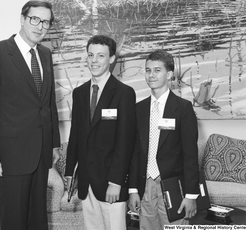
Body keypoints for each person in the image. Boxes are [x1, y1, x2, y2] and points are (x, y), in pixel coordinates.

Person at [0, 0, 60, 230]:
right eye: (35, 19)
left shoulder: (45, 55)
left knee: (37, 219)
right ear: (22, 19)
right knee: (15, 220)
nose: (40, 26)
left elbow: (48, 103)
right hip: (11, 156)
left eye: (46, 22)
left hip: (41, 153)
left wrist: (54, 144)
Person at [65, 35, 136, 230]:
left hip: (110, 182)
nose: (94, 61)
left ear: (112, 59)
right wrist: (70, 172)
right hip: (86, 182)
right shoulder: (79, 93)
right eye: (90, 55)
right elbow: (75, 136)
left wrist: (116, 181)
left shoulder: (124, 93)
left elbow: (125, 142)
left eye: (101, 56)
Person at [128, 49, 200, 230]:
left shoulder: (183, 108)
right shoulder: (139, 109)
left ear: (169, 74)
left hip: (172, 186)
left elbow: (190, 153)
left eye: (157, 70)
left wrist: (191, 195)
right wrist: (133, 190)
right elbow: (135, 153)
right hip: (145, 186)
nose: (151, 75)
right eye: (148, 70)